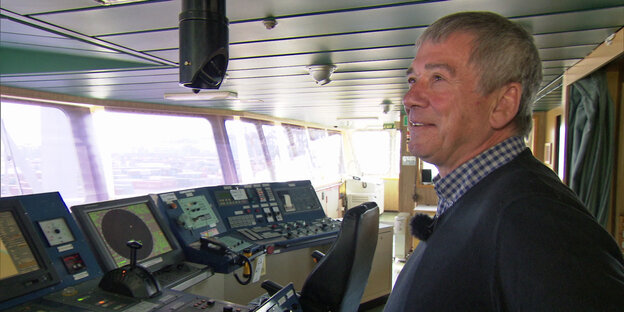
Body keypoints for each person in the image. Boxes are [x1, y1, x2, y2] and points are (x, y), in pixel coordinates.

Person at [384, 11, 624, 311]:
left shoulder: (534, 216)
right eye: (413, 78)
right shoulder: (473, 196)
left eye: (437, 78)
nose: (409, 98)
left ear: (503, 104)